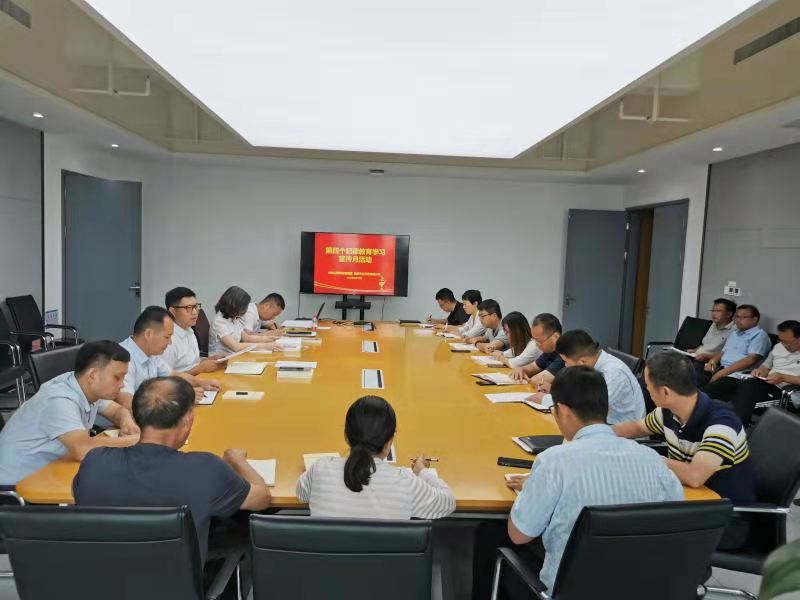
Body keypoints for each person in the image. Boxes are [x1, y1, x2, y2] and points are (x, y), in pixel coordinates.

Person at [473, 366, 682, 599]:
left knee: (490, 533)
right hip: (643, 587)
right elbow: (676, 523)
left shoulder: (553, 462)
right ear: (607, 409)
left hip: (571, 589)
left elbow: (519, 535)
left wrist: (532, 489)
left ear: (562, 411)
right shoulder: (653, 461)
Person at [73, 376, 271, 563]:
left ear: (137, 417)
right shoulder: (206, 469)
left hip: (99, 580)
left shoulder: (94, 462)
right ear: (188, 420)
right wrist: (237, 460)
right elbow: (261, 499)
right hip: (175, 583)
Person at [614, 351, 755, 549]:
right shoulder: (669, 412)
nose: (647, 389)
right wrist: (593, 433)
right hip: (686, 504)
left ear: (665, 392)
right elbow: (637, 427)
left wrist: (645, 457)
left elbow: (695, 476)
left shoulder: (721, 423)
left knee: (629, 529)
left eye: (648, 385)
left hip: (723, 520)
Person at [0, 341, 140, 486]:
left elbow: (117, 410)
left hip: (51, 472)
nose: (122, 384)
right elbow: (82, 449)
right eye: (117, 377)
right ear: (92, 375)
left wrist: (126, 422)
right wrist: (137, 440)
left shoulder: (85, 385)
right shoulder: (59, 399)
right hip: (17, 486)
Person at [296, 395, 455, 519]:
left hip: (328, 553)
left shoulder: (321, 469)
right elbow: (448, 502)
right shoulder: (406, 482)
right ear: (389, 442)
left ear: (346, 436)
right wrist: (423, 472)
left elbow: (301, 494)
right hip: (386, 554)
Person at [119, 306, 220, 410]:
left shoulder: (151, 352)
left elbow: (173, 375)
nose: (170, 342)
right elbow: (127, 403)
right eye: (167, 337)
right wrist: (178, 398)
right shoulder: (123, 358)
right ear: (148, 334)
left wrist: (200, 383)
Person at [702, 320, 800, 425]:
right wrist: (759, 371)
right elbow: (765, 367)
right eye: (781, 340)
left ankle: (738, 425)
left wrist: (783, 377)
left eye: (787, 342)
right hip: (768, 384)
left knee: (747, 390)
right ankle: (698, 411)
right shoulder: (778, 347)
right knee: (727, 382)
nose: (784, 345)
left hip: (787, 394)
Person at [555, 329, 645, 424]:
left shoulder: (613, 373)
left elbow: (590, 409)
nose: (566, 365)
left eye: (566, 362)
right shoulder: (592, 364)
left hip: (624, 429)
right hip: (605, 422)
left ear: (582, 362)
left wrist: (554, 399)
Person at [699, 304, 772, 387]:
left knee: (705, 389)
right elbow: (722, 353)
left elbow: (751, 359)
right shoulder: (734, 334)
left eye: (742, 317)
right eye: (737, 317)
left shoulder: (759, 335)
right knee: (692, 375)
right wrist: (712, 363)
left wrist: (722, 373)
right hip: (720, 369)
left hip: (736, 375)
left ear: (755, 319)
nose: (738, 320)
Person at [162, 287, 223, 374]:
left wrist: (212, 359)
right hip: (183, 382)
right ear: (173, 311)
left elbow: (192, 362)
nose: (195, 312)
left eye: (196, 307)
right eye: (189, 308)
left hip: (197, 378)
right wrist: (197, 370)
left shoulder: (189, 330)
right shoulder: (168, 339)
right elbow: (164, 378)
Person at [208, 286, 283, 354]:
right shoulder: (219, 321)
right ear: (234, 305)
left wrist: (270, 338)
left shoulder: (233, 318)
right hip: (221, 360)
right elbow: (236, 347)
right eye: (244, 307)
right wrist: (266, 346)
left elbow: (247, 338)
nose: (245, 310)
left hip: (234, 356)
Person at [510, 314, 564, 388]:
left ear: (555, 337)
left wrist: (529, 379)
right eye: (534, 339)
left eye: (539, 341)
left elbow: (537, 380)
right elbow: (534, 366)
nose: (536, 345)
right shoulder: (549, 351)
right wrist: (521, 369)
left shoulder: (565, 354)